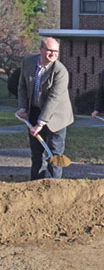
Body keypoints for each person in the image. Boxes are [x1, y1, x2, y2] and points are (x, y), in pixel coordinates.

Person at [16, 37, 74, 180]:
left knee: (54, 154)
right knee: (37, 154)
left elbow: (53, 98)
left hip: (56, 117)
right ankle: (36, 186)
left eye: (56, 51)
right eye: (50, 50)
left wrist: (40, 123)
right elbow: (22, 87)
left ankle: (54, 188)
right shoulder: (28, 63)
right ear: (41, 50)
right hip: (34, 111)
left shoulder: (60, 71)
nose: (53, 54)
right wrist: (23, 107)